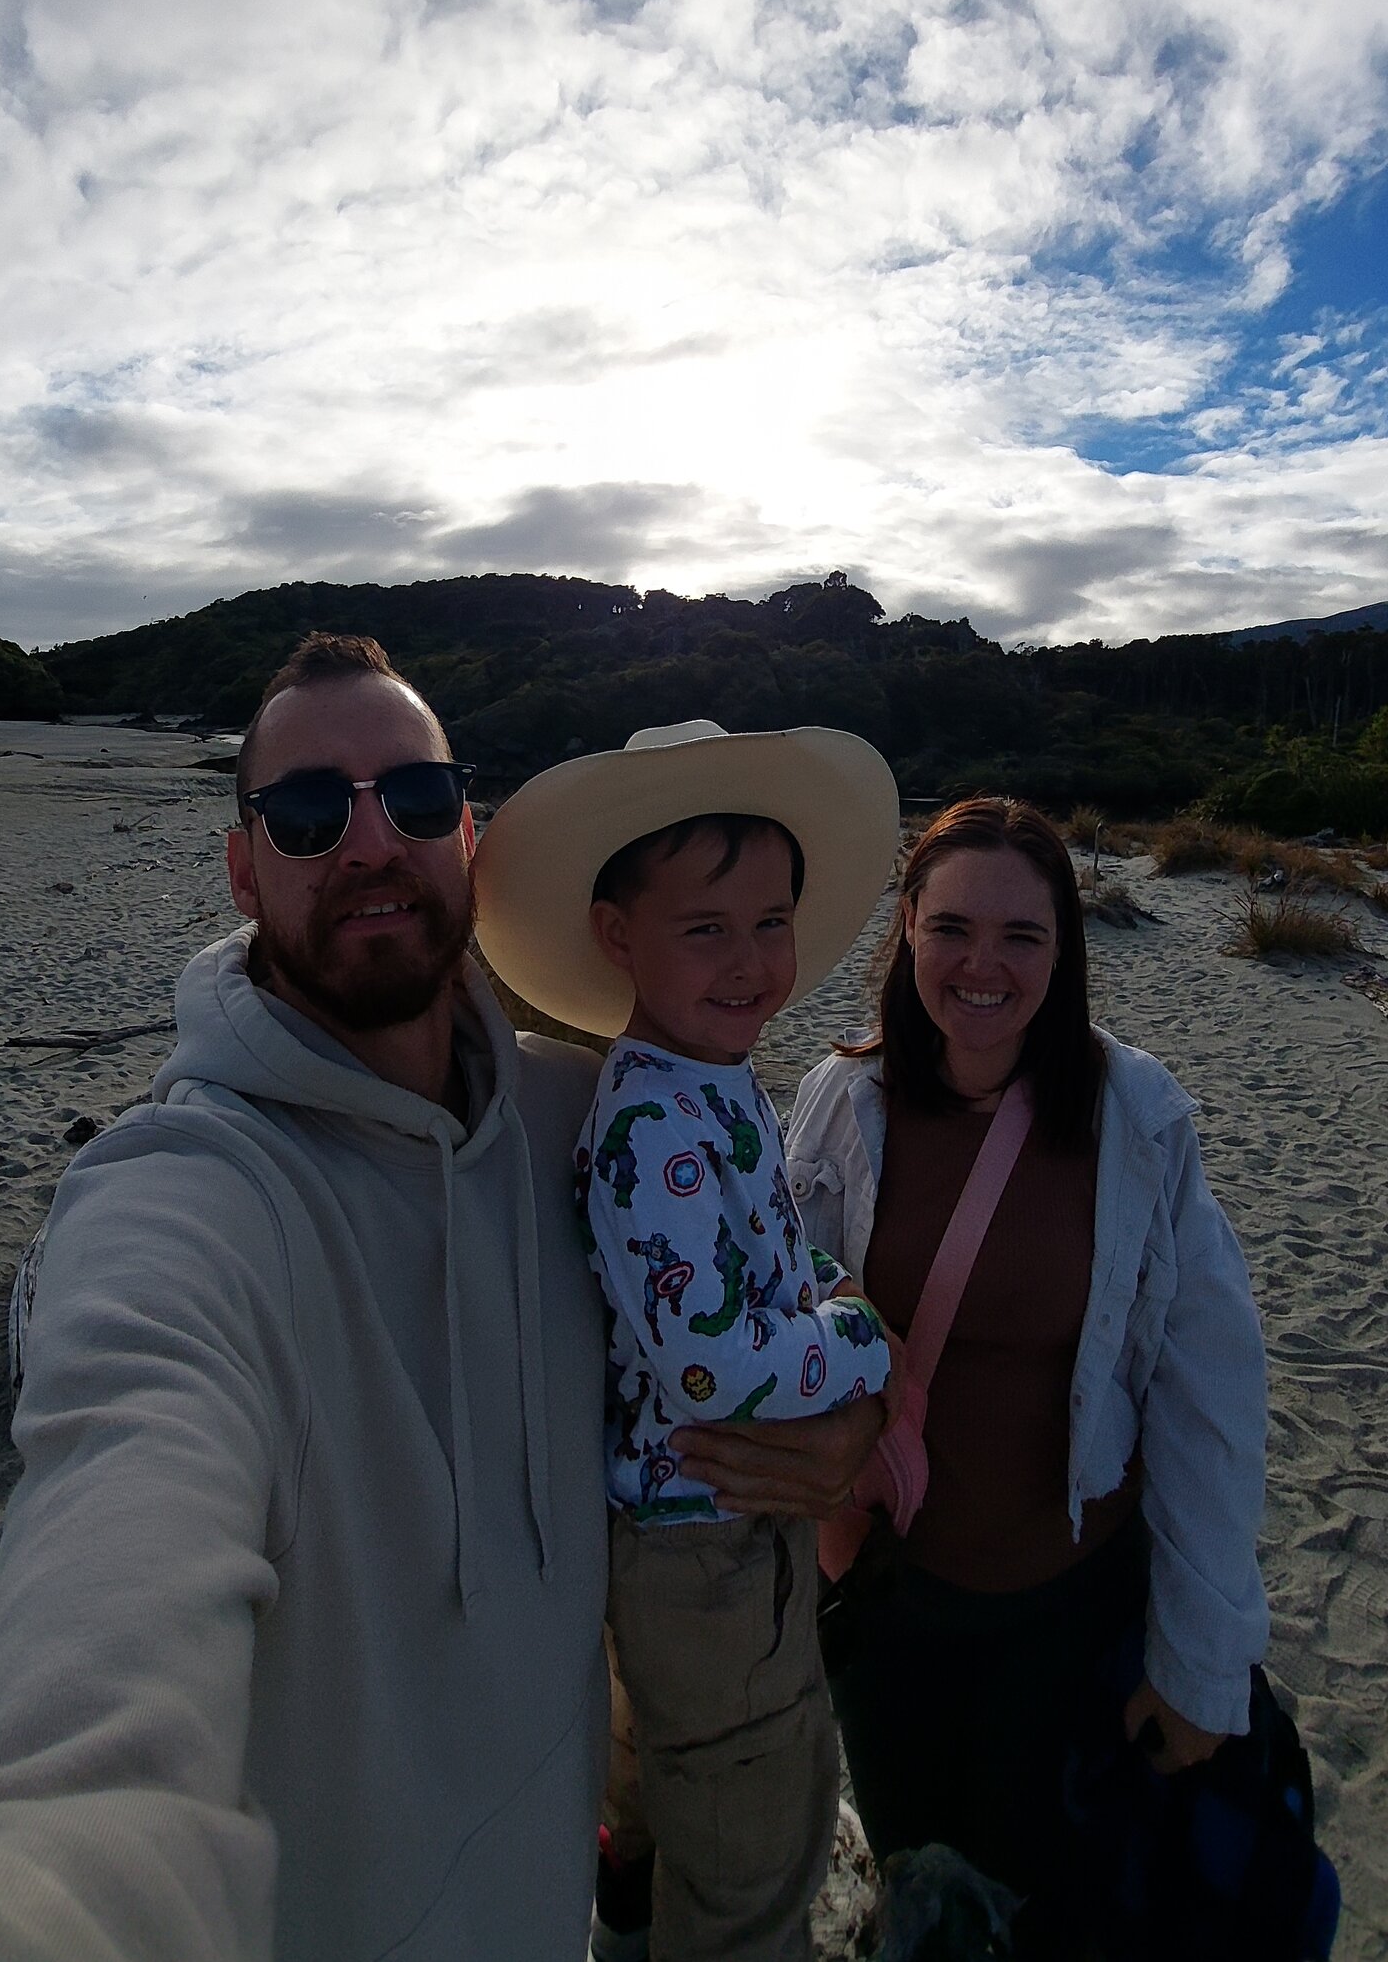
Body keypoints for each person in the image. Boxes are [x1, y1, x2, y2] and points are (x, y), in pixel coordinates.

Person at [0, 638, 886, 1962]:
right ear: (244, 865)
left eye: (412, 800)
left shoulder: (577, 1123)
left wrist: (840, 1424)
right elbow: (115, 1556)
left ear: (466, 838)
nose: (369, 841)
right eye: (309, 812)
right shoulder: (181, 1195)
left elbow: (732, 1302)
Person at [782, 796, 1270, 1961]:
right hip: (887, 1606)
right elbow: (778, 1296)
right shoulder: (839, 1100)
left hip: (1070, 1608)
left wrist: (1199, 1664)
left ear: (1066, 950)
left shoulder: (1136, 1118)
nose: (982, 966)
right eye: (951, 928)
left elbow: (1208, 1389)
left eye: (1023, 936)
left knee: (1042, 1891)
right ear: (906, 927)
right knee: (915, 1874)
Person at [475, 720, 904, 1962]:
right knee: (755, 1830)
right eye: (704, 928)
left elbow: (759, 1252)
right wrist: (863, 1338)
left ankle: (623, 1919)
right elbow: (711, 1361)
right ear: (619, 938)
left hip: (693, 1529)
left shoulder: (712, 1080)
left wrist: (821, 1289)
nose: (749, 961)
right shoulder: (655, 1120)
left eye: (770, 922)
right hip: (704, 1542)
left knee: (666, 1791)